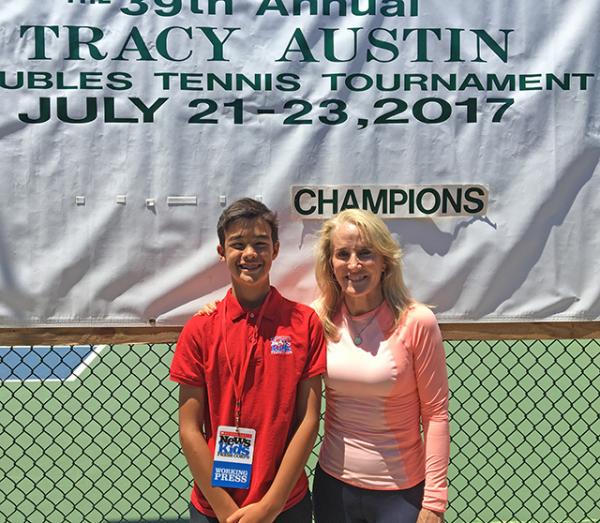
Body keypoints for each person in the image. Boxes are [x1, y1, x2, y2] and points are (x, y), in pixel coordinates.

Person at [170, 198, 327, 523]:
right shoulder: (201, 329)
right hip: (215, 508)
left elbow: (308, 420)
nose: (250, 254)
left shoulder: (304, 323)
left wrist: (270, 505)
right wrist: (228, 512)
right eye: (238, 244)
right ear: (222, 252)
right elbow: (189, 428)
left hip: (285, 505)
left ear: (276, 249)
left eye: (260, 243)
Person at [311, 208, 449, 523]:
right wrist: (213, 310)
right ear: (331, 263)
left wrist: (434, 501)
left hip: (400, 496)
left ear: (384, 261)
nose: (353, 264)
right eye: (342, 254)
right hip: (333, 487)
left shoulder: (418, 322)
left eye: (365, 253)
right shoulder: (319, 319)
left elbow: (436, 415)